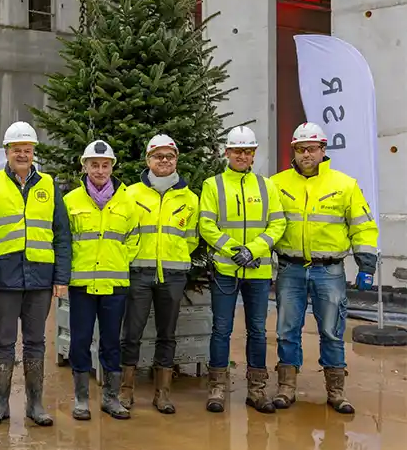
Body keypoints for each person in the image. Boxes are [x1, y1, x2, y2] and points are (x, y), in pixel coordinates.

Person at [270, 122, 378, 414]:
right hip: (290, 269)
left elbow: (363, 227)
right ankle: (286, 388)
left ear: (322, 150)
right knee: (286, 330)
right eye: (301, 149)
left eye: (312, 148)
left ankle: (336, 392)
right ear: (294, 151)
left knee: (331, 330)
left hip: (328, 271)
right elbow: (268, 224)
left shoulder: (344, 185)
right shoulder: (277, 184)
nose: (307, 154)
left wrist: (366, 264)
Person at [0, 121, 71, 428]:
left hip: (40, 278)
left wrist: (61, 277)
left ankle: (35, 404)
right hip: (4, 278)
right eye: (17, 150)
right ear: (7, 152)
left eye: (27, 150)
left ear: (33, 152)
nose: (23, 155)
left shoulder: (48, 185)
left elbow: (61, 233)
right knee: (3, 341)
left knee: (35, 341)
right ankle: (0, 404)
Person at [199, 126, 286, 414]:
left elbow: (278, 224)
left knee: (258, 331)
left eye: (248, 151)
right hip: (226, 270)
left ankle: (256, 389)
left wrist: (255, 250)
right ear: (227, 153)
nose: (242, 155)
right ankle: (218, 388)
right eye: (237, 150)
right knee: (221, 329)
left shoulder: (267, 186)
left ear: (254, 154)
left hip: (258, 272)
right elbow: (207, 225)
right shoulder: (214, 185)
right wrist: (235, 251)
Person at [120, 135, 199, 415]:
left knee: (167, 334)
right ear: (148, 160)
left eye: (169, 156)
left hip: (173, 274)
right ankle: (126, 389)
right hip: (139, 272)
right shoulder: (130, 194)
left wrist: (174, 258)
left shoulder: (190, 198)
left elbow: (191, 238)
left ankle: (162, 392)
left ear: (176, 159)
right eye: (158, 156)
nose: (164, 161)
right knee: (132, 332)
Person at [61, 140, 139, 421]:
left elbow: (134, 238)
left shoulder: (127, 201)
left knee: (111, 343)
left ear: (112, 167)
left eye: (105, 165)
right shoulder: (70, 201)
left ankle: (111, 398)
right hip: (81, 284)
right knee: (80, 340)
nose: (100, 170)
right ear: (85, 167)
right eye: (94, 165)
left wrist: (117, 262)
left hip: (115, 284)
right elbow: (64, 241)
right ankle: (81, 399)